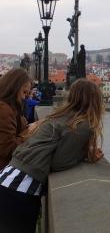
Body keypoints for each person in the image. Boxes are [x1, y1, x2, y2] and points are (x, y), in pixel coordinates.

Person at [0, 78, 104, 233]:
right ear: (95, 101)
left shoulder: (59, 116)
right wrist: (83, 154)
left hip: (7, 178)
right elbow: (59, 163)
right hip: (21, 189)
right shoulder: (82, 125)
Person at [0, 68, 32, 170]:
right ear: (14, 87)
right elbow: (7, 149)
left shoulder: (10, 106)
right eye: (24, 92)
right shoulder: (4, 110)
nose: (24, 97)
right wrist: (29, 133)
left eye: (27, 94)